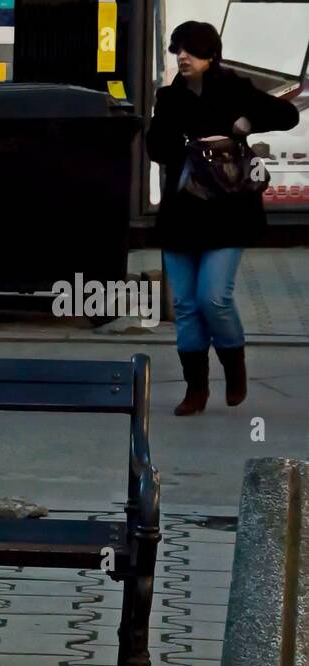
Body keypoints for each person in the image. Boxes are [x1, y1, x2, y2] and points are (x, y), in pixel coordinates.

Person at [145, 20, 299, 416]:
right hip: (182, 213)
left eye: (191, 51)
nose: (182, 57)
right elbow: (157, 148)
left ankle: (234, 366)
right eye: (178, 50)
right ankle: (195, 389)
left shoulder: (234, 89)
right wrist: (186, 142)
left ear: (211, 55)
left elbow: (287, 115)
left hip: (228, 213)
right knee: (186, 305)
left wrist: (247, 123)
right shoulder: (169, 98)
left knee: (213, 297)